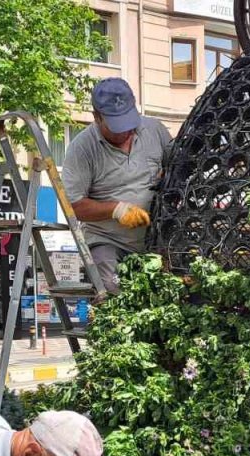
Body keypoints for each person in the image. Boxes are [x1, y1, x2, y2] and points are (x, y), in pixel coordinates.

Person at [62, 77, 172, 294]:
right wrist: (116, 209)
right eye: (117, 126)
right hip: (109, 241)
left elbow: (177, 165)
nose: (126, 132)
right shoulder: (82, 149)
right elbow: (73, 206)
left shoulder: (155, 130)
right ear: (97, 117)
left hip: (156, 239)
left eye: (129, 123)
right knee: (115, 291)